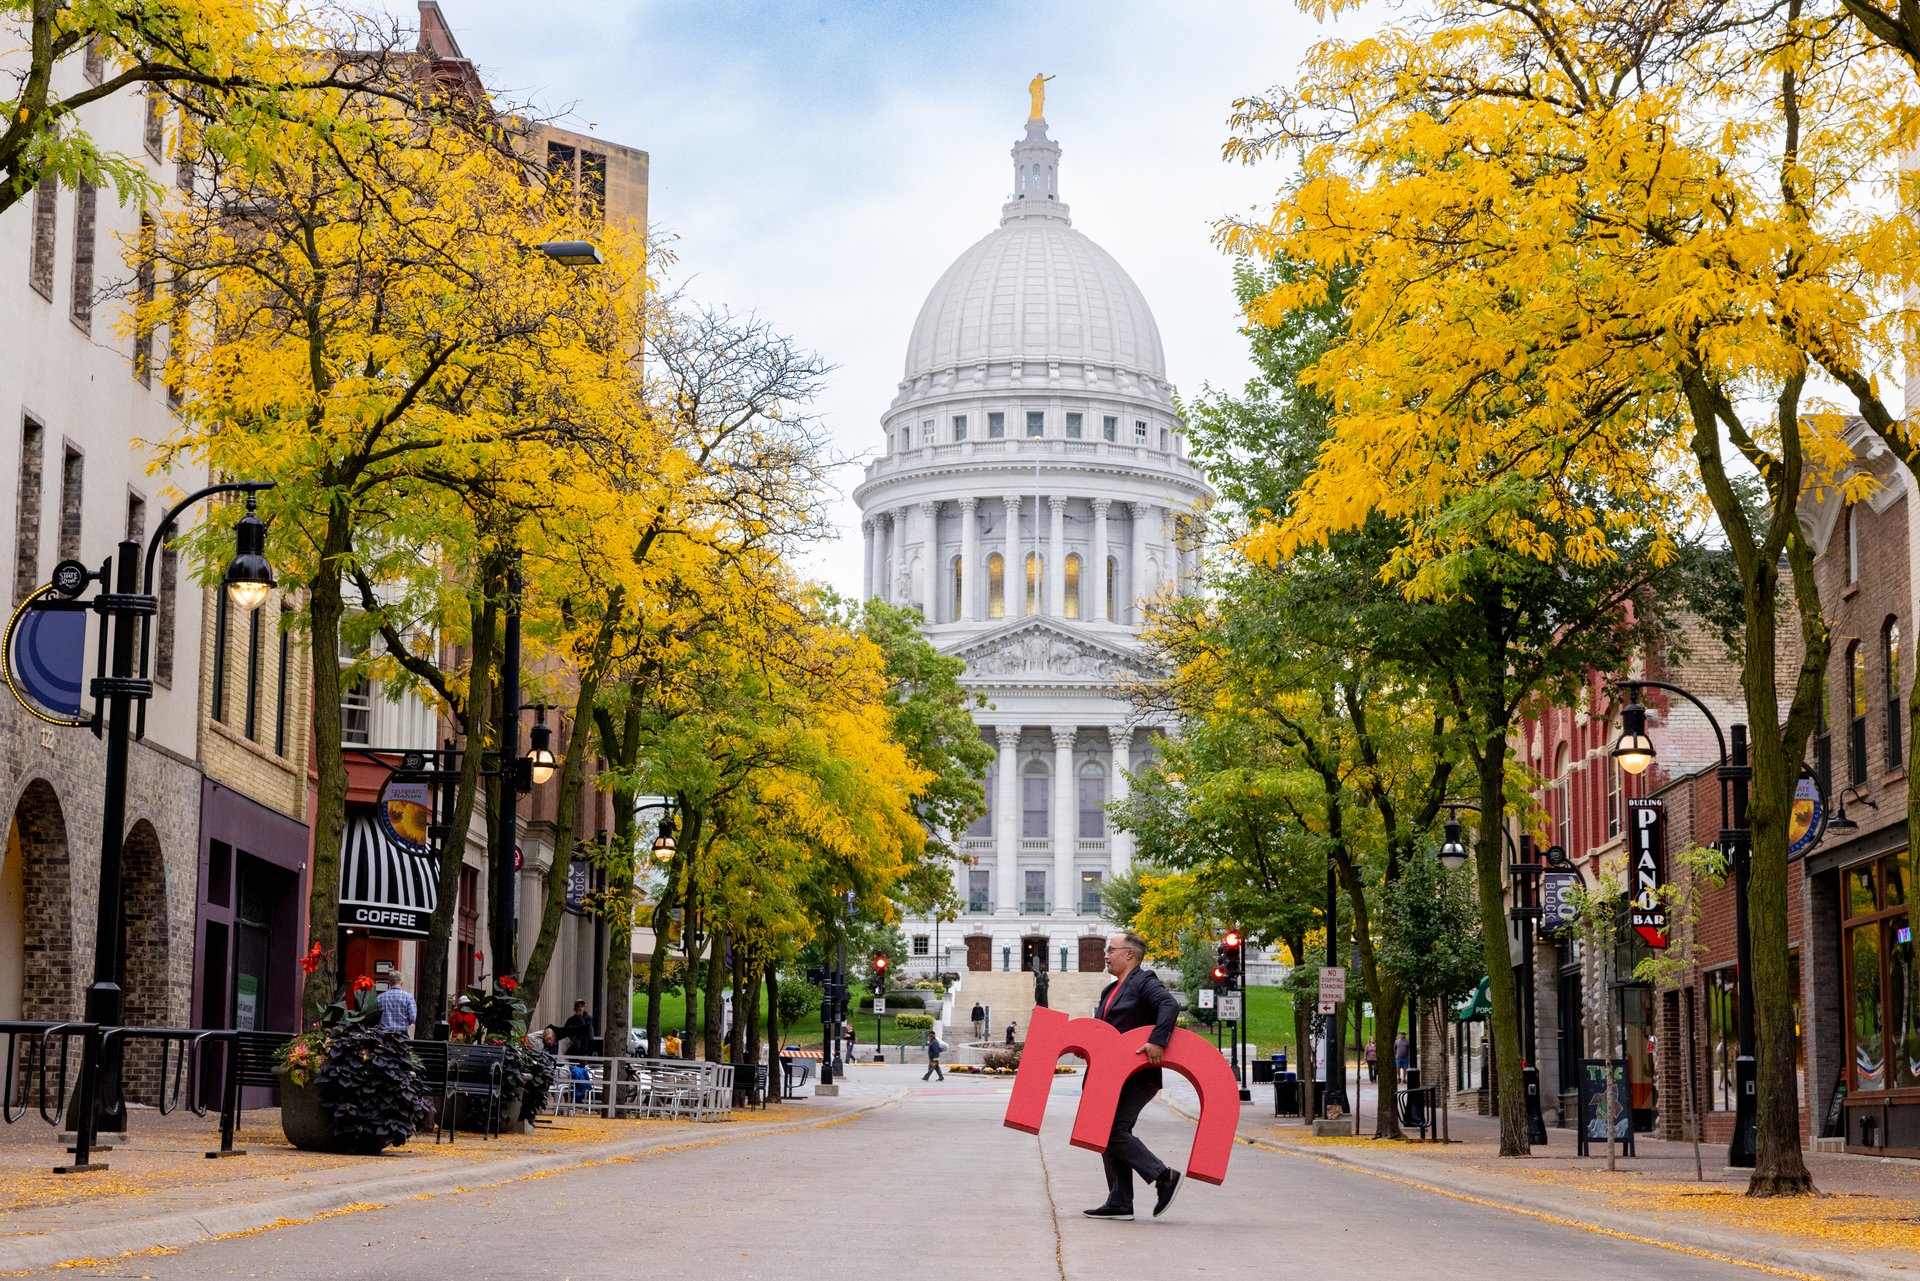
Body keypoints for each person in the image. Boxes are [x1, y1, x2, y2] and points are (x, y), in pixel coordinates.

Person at [1082, 930, 1182, 1222]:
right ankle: (1120, 1201)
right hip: (1111, 1075)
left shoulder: (1143, 980)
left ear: (1129, 954)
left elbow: (1169, 1005)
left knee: (1113, 1130)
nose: (1105, 954)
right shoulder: (1109, 990)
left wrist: (1158, 1040)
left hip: (1138, 1075)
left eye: (1111, 949)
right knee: (1104, 1131)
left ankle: (1164, 1176)